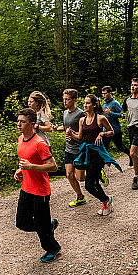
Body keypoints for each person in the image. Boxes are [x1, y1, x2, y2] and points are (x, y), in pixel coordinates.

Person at [14, 108, 61, 263]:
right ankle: (48, 226)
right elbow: (27, 160)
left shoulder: (39, 143)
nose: (19, 124)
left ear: (32, 124)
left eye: (23, 122)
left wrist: (31, 167)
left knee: (40, 225)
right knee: (22, 223)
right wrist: (21, 169)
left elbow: (53, 166)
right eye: (18, 121)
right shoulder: (21, 139)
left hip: (40, 191)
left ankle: (53, 248)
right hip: (26, 187)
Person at [72, 94, 119, 216]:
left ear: (94, 105)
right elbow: (80, 137)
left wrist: (102, 134)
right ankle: (106, 203)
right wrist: (71, 134)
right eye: (84, 103)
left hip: (98, 153)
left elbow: (111, 132)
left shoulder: (100, 118)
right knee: (95, 182)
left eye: (88, 103)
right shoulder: (82, 120)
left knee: (88, 185)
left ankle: (106, 199)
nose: (85, 105)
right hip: (87, 154)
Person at [54, 89, 87, 208]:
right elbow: (66, 126)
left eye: (67, 99)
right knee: (69, 174)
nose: (64, 101)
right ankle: (80, 197)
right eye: (64, 99)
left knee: (80, 178)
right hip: (69, 148)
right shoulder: (65, 113)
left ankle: (96, 174)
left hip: (79, 149)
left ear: (74, 100)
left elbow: (84, 132)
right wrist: (58, 128)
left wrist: (73, 134)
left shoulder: (81, 114)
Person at [101, 86, 132, 166]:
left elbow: (122, 115)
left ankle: (131, 156)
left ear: (110, 93)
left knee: (120, 147)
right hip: (106, 130)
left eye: (105, 93)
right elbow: (104, 114)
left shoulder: (115, 103)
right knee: (104, 148)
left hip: (115, 130)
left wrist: (110, 113)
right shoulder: (104, 103)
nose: (103, 95)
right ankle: (107, 163)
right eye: (102, 94)